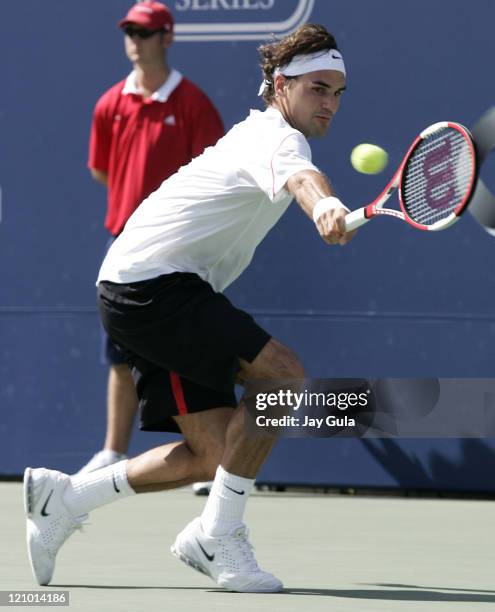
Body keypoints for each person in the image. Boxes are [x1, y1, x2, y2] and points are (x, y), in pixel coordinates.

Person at [24, 23, 355, 593]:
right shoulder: (276, 138)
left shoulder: (264, 134)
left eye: (336, 92)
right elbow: (303, 177)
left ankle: (65, 499)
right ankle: (218, 535)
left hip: (143, 285)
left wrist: (321, 199)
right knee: (284, 375)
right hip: (154, 285)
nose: (328, 102)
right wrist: (324, 204)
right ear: (281, 86)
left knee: (217, 452)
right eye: (316, 88)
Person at [79, 1, 224, 491]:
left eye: (144, 32)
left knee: (190, 349)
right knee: (119, 356)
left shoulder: (193, 104)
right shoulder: (108, 104)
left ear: (166, 37)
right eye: (129, 31)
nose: (134, 40)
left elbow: (215, 177)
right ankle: (112, 451)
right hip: (125, 247)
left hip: (181, 246)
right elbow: (103, 170)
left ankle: (208, 457)